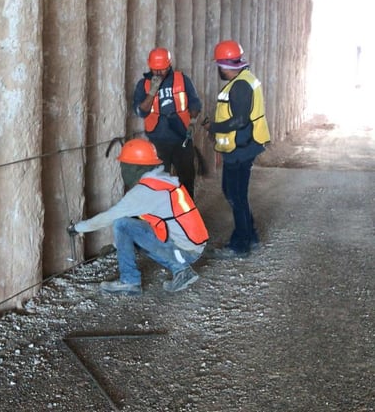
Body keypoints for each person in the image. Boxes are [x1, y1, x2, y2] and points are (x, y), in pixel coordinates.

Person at [67, 139, 208, 295]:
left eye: (124, 165)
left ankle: (135, 280)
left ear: (134, 168)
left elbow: (109, 216)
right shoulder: (163, 180)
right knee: (128, 224)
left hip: (185, 252)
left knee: (121, 223)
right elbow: (149, 222)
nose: (122, 170)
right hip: (193, 245)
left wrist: (77, 228)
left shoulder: (144, 192)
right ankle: (180, 270)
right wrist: (116, 245)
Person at [203, 40, 271, 259]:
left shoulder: (240, 85)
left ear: (225, 65)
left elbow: (240, 120)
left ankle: (240, 245)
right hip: (243, 145)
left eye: (220, 66)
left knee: (235, 195)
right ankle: (250, 236)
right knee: (235, 193)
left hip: (241, 148)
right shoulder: (245, 80)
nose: (220, 70)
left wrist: (213, 127)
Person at [132, 48, 203, 197]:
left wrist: (192, 122)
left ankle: (186, 214)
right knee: (159, 183)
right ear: (149, 66)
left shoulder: (182, 80)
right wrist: (152, 91)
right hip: (158, 142)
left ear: (169, 65)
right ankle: (163, 216)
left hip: (182, 138)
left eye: (162, 69)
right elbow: (141, 112)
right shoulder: (143, 84)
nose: (158, 73)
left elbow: (195, 103)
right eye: (155, 69)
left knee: (186, 180)